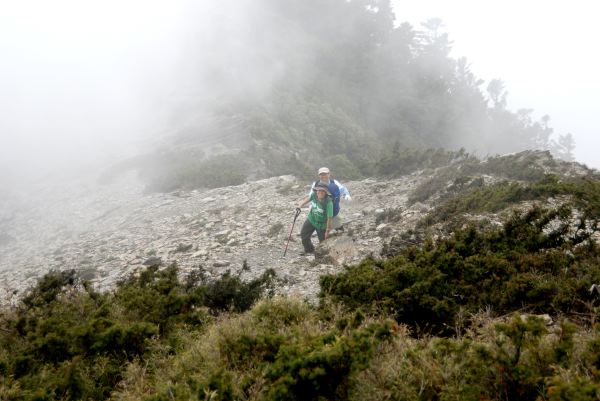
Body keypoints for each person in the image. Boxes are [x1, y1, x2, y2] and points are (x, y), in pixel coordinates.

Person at [296, 182, 333, 254]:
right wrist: (300, 205)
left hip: (322, 224)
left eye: (323, 191)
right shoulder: (314, 195)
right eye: (319, 190)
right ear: (316, 190)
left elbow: (330, 218)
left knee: (323, 242)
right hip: (312, 219)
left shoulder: (329, 202)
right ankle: (309, 250)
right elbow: (307, 200)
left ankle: (322, 256)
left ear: (326, 192)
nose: (320, 192)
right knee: (304, 234)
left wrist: (327, 230)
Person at [309, 167, 351, 231]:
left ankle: (340, 234)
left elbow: (342, 189)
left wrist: (346, 194)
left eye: (325, 174)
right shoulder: (315, 184)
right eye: (321, 174)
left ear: (329, 174)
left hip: (333, 208)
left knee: (338, 226)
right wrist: (311, 205)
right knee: (322, 227)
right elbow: (311, 195)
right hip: (320, 209)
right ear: (319, 175)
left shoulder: (334, 182)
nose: (323, 176)